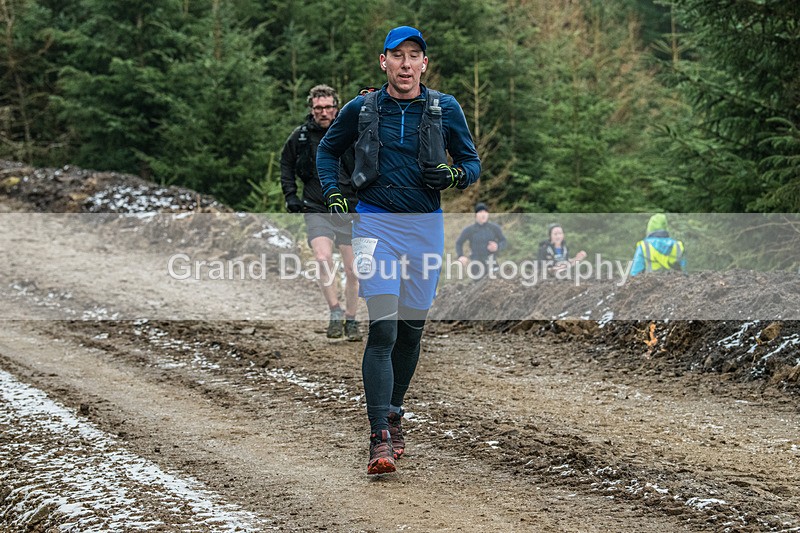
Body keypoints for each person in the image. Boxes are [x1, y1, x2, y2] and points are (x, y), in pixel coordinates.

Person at [317, 25, 481, 475]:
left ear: (424, 64)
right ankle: (379, 437)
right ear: (383, 61)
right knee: (384, 331)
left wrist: (453, 177)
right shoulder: (363, 107)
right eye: (398, 55)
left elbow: (472, 164)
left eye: (414, 56)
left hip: (425, 229)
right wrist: (334, 193)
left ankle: (393, 411)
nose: (406, 64)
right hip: (375, 225)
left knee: (411, 333)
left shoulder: (444, 108)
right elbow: (327, 153)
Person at [280, 84, 361, 341]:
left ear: (336, 108)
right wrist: (291, 195)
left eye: (328, 107)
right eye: (318, 108)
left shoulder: (350, 133)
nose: (323, 112)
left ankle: (351, 318)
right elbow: (286, 164)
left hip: (349, 207)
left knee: (353, 270)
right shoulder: (300, 137)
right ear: (311, 109)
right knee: (323, 257)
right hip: (316, 206)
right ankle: (335, 311)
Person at [455, 202, 507, 277]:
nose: (483, 214)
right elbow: (459, 243)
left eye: (485, 212)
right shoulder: (470, 230)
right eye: (481, 212)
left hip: (492, 263)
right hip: (476, 266)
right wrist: (461, 256)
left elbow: (504, 241)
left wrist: (497, 246)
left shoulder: (494, 228)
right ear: (476, 215)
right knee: (479, 286)